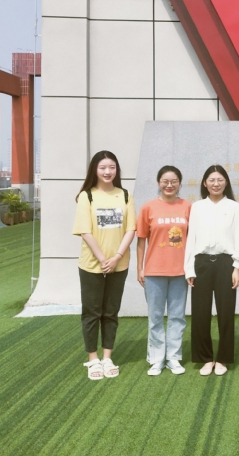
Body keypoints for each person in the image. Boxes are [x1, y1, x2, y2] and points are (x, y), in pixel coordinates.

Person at [72, 150, 136, 380]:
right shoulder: (86, 196)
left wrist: (117, 257)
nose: (108, 172)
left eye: (112, 167)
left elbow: (131, 229)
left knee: (111, 312)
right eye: (103, 168)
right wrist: (102, 259)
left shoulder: (125, 195)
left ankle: (107, 357)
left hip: (119, 263)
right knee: (92, 312)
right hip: (91, 264)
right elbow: (85, 231)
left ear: (117, 169)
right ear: (95, 170)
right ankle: (93, 359)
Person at [185, 165, 239, 376]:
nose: (216, 184)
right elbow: (191, 238)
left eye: (220, 180)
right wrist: (189, 269)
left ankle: (223, 358)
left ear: (226, 182)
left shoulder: (234, 207)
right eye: (211, 180)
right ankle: (206, 358)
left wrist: (237, 267)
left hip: (225, 263)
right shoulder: (197, 207)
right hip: (201, 263)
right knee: (200, 313)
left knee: (226, 312)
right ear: (205, 183)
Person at [136, 165, 191, 376]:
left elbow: (192, 239)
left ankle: (173, 357)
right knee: (155, 317)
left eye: (174, 181)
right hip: (154, 271)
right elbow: (141, 240)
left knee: (177, 317)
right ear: (159, 182)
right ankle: (156, 359)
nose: (169, 185)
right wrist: (140, 268)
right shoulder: (148, 208)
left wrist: (191, 269)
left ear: (179, 183)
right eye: (165, 181)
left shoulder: (187, 207)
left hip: (180, 272)